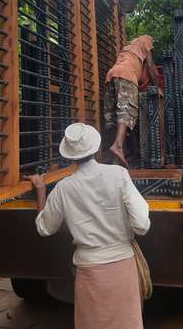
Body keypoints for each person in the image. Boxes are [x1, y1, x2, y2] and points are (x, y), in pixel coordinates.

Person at [25, 122, 150, 329]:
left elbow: (44, 228)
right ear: (96, 148)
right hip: (123, 266)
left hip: (89, 270)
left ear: (69, 155)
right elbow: (142, 225)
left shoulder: (64, 188)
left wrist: (40, 190)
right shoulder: (118, 175)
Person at [104, 35, 158, 166]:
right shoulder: (147, 41)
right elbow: (150, 66)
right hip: (127, 75)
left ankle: (115, 157)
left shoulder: (129, 47)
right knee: (127, 112)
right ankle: (117, 146)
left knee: (114, 116)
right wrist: (156, 87)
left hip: (111, 75)